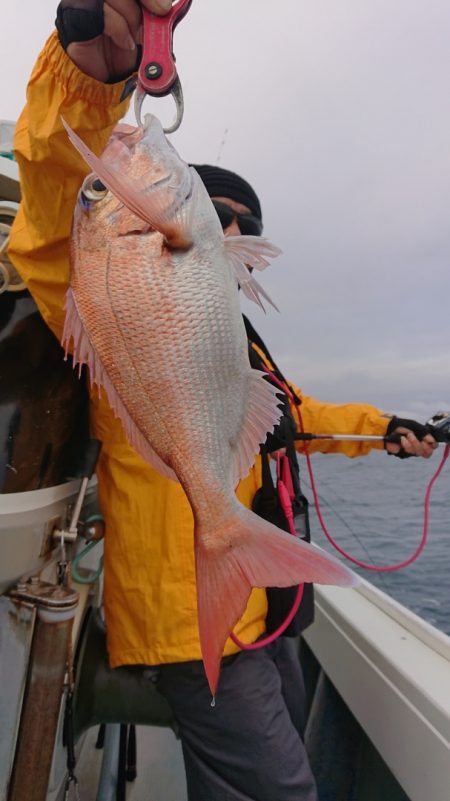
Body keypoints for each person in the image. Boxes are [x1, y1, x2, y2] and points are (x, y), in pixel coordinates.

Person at [7, 2, 437, 799]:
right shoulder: (110, 274)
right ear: (198, 217)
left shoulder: (228, 338)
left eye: (243, 229)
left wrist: (390, 429)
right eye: (225, 217)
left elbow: (295, 416)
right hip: (182, 623)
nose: (236, 238)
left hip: (264, 605)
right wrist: (90, 70)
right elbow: (48, 208)